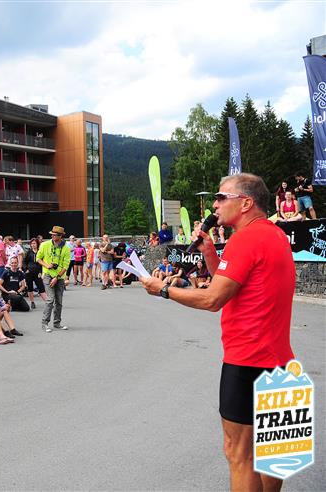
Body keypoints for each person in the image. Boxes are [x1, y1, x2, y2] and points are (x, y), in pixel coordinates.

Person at [141, 173, 296, 492]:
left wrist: (163, 290)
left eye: (222, 197)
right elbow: (233, 285)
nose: (215, 204)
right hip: (280, 359)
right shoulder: (275, 234)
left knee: (238, 453)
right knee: (273, 452)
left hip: (248, 360)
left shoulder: (244, 239)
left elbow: (213, 299)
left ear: (246, 203)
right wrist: (210, 252)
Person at [36, 226, 71, 332]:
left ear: (60, 236)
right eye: (52, 234)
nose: (52, 236)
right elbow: (38, 258)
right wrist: (47, 265)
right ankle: (44, 323)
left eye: (55, 235)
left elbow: (65, 266)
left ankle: (57, 323)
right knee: (50, 299)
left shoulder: (66, 248)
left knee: (59, 301)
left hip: (59, 277)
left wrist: (57, 277)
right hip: (47, 274)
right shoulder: (44, 245)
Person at [23, 238, 47, 309]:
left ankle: (48, 302)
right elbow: (24, 262)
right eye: (32, 243)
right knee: (30, 288)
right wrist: (26, 269)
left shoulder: (40, 252)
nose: (33, 245)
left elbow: (43, 263)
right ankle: (32, 302)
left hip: (37, 273)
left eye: (34, 243)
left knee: (41, 288)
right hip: (29, 273)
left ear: (37, 244)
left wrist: (41, 272)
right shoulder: (28, 252)